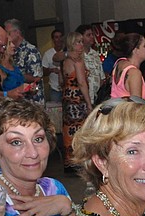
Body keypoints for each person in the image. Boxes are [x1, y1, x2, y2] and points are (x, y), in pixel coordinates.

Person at [60, 31, 93, 173]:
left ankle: (70, 162)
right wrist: (89, 103)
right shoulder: (77, 62)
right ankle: (79, 161)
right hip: (78, 99)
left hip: (67, 99)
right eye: (78, 42)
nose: (81, 44)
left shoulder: (66, 61)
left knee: (69, 130)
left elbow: (62, 81)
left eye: (81, 41)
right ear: (71, 44)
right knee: (80, 130)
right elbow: (82, 83)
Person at [110, 33, 145, 105]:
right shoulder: (134, 73)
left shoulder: (119, 63)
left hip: (117, 114)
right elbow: (136, 108)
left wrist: (143, 87)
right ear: (135, 50)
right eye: (144, 45)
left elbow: (122, 90)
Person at [4, 19, 44, 105]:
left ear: (17, 32)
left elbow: (36, 77)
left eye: (8, 33)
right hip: (16, 101)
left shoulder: (30, 50)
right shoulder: (7, 51)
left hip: (31, 101)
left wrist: (13, 76)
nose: (6, 36)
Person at [42, 29, 65, 103]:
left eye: (60, 37)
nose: (59, 39)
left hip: (67, 89)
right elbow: (43, 72)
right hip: (55, 89)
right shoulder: (47, 54)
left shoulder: (67, 52)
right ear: (53, 40)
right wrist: (51, 70)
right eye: (56, 37)